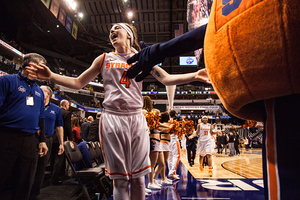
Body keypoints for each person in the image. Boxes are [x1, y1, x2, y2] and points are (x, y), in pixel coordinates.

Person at [31, 23, 210, 200]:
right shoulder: (103, 58)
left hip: (136, 118)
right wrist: (51, 76)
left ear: (129, 35)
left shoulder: (142, 57)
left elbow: (167, 78)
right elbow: (78, 83)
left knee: (139, 180)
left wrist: (194, 76)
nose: (112, 31)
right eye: (110, 31)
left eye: (117, 28)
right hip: (112, 118)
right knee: (120, 180)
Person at [0, 53, 48, 200]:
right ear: (30, 66)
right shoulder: (7, 81)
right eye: (41, 66)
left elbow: (41, 118)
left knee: (24, 182)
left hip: (30, 141)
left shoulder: (39, 91)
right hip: (7, 137)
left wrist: (42, 140)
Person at [30, 86, 64, 200]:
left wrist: (61, 143)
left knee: (41, 167)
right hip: (33, 138)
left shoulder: (56, 109)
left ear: (48, 94)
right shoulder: (33, 104)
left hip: (48, 139)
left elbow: (59, 127)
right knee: (29, 166)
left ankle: (34, 193)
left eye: (41, 91)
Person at [50, 99, 72, 185]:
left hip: (52, 136)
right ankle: (55, 178)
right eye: (68, 105)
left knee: (52, 158)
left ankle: (51, 174)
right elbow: (67, 127)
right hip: (61, 138)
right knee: (59, 159)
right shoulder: (67, 113)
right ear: (66, 105)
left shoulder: (55, 110)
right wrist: (70, 140)